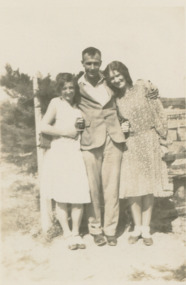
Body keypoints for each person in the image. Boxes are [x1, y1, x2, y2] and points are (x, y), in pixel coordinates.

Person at [104, 61, 173, 246]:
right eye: (113, 78)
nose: (117, 80)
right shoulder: (115, 99)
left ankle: (146, 229)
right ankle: (136, 227)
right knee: (134, 188)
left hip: (149, 140)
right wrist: (122, 128)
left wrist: (163, 141)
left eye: (119, 75)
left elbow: (158, 112)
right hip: (131, 143)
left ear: (125, 74)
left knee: (148, 187)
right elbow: (115, 123)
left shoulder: (143, 87)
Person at [77, 47, 126, 246]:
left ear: (100, 63)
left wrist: (148, 86)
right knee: (93, 188)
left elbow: (127, 87)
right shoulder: (76, 84)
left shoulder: (109, 82)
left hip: (113, 138)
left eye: (96, 63)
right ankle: (95, 229)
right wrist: (75, 122)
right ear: (82, 63)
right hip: (89, 140)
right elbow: (62, 102)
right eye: (89, 63)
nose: (92, 67)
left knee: (111, 187)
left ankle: (111, 230)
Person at [40, 73, 91, 250]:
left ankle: (76, 233)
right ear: (59, 89)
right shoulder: (56, 102)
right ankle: (67, 233)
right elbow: (44, 126)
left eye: (71, 87)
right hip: (60, 152)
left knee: (79, 195)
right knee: (61, 196)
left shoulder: (79, 105)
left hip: (76, 152)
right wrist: (64, 132)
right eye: (65, 88)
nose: (68, 91)